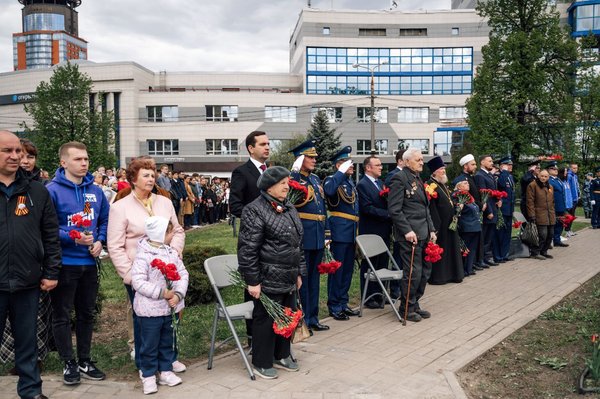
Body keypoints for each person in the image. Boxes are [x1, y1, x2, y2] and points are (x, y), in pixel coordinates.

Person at [107, 157, 187, 374]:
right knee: (145, 321)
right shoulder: (120, 207)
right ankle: (146, 365)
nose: (151, 178)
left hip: (167, 270)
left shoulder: (165, 202)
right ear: (133, 179)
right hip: (140, 273)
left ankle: (169, 358)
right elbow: (115, 246)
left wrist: (176, 254)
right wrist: (130, 275)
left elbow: (178, 230)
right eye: (145, 175)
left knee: (171, 315)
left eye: (153, 175)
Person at [0, 130, 61, 399]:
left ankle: (31, 391)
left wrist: (51, 272)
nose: (15, 157)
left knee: (27, 342)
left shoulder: (37, 190)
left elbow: (50, 234)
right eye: (8, 151)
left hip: (28, 281)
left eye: (18, 152)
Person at [46, 142, 110, 385]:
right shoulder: (52, 190)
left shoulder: (96, 190)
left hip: (89, 263)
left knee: (86, 313)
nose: (84, 163)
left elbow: (104, 220)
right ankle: (68, 362)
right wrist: (72, 236)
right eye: (77, 159)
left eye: (86, 159)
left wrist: (100, 241)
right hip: (64, 263)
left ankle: (84, 359)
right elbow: (48, 227)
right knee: (62, 314)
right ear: (64, 162)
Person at [238, 166, 305, 379]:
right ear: (269, 186)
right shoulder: (254, 209)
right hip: (267, 276)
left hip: (288, 274)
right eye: (282, 183)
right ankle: (261, 360)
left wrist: (299, 273)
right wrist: (253, 281)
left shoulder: (289, 208)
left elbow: (297, 245)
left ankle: (282, 354)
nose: (287, 186)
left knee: (287, 315)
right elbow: (248, 249)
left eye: (287, 182)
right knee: (265, 320)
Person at [132, 216, 188, 394]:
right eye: (169, 232)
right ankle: (148, 374)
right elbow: (138, 282)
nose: (172, 235)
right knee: (149, 344)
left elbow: (182, 274)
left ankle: (165, 370)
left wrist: (178, 295)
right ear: (159, 234)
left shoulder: (171, 253)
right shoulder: (143, 256)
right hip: (150, 310)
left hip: (169, 308)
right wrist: (161, 293)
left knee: (167, 341)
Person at [229, 130, 270, 345]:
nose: (267, 147)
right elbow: (235, 205)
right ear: (250, 148)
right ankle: (254, 338)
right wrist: (259, 218)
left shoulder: (271, 172)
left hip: (273, 241)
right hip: (253, 239)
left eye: (268, 144)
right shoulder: (242, 172)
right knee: (253, 287)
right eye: (262, 144)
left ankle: (270, 333)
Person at [388, 148, 436, 322]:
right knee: (413, 273)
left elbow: (425, 208)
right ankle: (406, 308)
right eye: (418, 160)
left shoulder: (417, 178)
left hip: (423, 231)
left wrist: (431, 229)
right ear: (407, 161)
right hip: (410, 234)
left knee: (424, 272)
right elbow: (394, 209)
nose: (422, 162)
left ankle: (415, 303)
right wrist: (407, 230)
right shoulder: (399, 178)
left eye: (422, 159)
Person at [289, 140, 329, 333]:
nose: (314, 160)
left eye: (314, 157)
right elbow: (289, 196)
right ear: (300, 159)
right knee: (302, 281)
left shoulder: (314, 179)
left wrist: (327, 233)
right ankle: (303, 319)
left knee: (314, 279)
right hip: (303, 235)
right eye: (310, 157)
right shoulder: (295, 179)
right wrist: (294, 173)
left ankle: (313, 317)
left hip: (318, 235)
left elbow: (323, 208)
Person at [323, 146, 360, 320]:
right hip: (339, 230)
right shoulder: (332, 179)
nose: (351, 166)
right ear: (339, 165)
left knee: (347, 271)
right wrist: (340, 172)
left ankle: (343, 303)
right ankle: (334, 305)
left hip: (351, 231)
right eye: (347, 163)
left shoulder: (349, 182)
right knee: (337, 270)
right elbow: (329, 191)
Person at [356, 155, 392, 308]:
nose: (381, 167)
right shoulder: (363, 185)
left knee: (382, 263)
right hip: (371, 230)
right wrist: (388, 215)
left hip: (383, 230)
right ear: (368, 167)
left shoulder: (381, 183)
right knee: (370, 265)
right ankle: (368, 296)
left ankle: (379, 294)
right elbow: (367, 208)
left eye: (381, 165)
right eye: (377, 165)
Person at [425, 156, 463, 284]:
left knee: (451, 248)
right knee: (442, 250)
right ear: (434, 171)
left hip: (450, 222)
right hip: (439, 224)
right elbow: (432, 207)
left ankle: (453, 275)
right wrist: (435, 226)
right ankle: (440, 277)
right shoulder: (430, 185)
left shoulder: (442, 184)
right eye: (441, 169)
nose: (444, 171)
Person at [457, 154, 486, 271]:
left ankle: (471, 264)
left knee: (474, 244)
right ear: (465, 166)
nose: (475, 166)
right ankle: (467, 267)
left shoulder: (471, 178)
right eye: (472, 164)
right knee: (467, 245)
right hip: (468, 219)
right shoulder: (462, 179)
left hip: (475, 214)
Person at [385, 148, 405, 299]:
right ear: (400, 161)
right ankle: (395, 289)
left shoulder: (410, 175)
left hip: (409, 221)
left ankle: (403, 285)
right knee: (398, 255)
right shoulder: (394, 176)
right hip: (399, 222)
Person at [452, 176, 481, 277]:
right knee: (464, 249)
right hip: (466, 227)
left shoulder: (469, 196)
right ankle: (463, 269)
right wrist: (458, 207)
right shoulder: (456, 196)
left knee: (472, 248)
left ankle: (469, 268)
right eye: (464, 183)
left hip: (475, 226)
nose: (467, 184)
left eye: (467, 183)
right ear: (458, 186)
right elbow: (456, 211)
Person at [474, 155, 500, 267]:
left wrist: (499, 199)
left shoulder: (489, 175)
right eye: (489, 161)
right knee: (485, 235)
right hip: (487, 210)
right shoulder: (480, 175)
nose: (492, 163)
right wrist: (488, 211)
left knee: (489, 235)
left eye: (492, 161)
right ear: (482, 162)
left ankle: (487, 257)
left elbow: (493, 191)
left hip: (493, 207)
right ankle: (482, 259)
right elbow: (484, 195)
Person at [526, 169, 556, 259]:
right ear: (538, 176)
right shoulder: (532, 185)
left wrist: (553, 211)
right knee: (542, 235)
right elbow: (529, 201)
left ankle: (544, 251)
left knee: (550, 234)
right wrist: (531, 215)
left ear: (548, 177)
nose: (543, 178)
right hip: (539, 214)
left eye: (546, 176)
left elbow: (553, 201)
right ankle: (535, 252)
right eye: (542, 176)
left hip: (550, 214)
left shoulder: (550, 186)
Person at [494, 157, 516, 262]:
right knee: (500, 234)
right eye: (508, 165)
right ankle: (498, 256)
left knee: (507, 234)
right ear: (502, 166)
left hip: (509, 209)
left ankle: (505, 254)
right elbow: (501, 185)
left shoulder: (509, 176)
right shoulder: (500, 176)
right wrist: (504, 172)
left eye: (511, 165)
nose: (510, 166)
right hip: (502, 209)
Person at [548, 163, 569, 248]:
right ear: (549, 170)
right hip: (554, 206)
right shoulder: (549, 180)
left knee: (560, 224)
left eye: (556, 169)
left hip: (561, 206)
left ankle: (557, 240)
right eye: (553, 169)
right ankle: (549, 241)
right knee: (552, 224)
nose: (556, 170)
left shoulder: (558, 180)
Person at [566, 163, 580, 237]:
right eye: (574, 168)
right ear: (570, 168)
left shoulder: (575, 176)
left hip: (575, 198)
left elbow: (576, 187)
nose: (575, 169)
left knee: (572, 215)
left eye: (576, 168)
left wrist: (578, 195)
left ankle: (570, 229)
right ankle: (567, 230)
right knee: (570, 215)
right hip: (571, 199)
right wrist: (570, 198)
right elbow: (568, 188)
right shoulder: (569, 176)